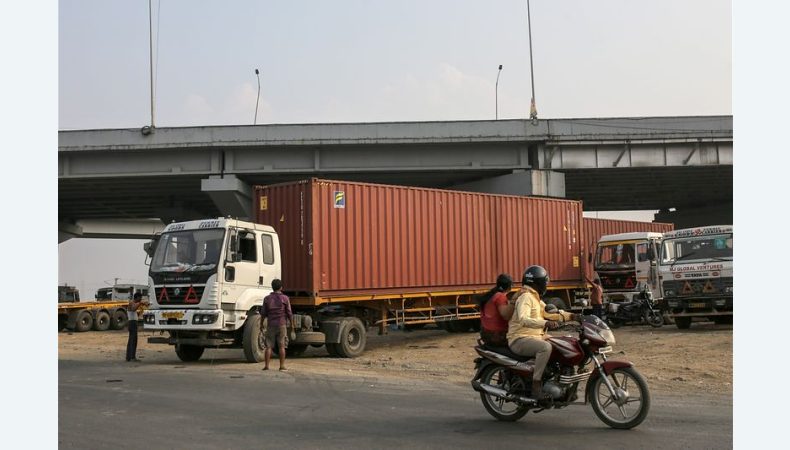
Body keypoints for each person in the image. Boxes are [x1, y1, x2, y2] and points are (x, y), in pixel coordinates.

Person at [507, 265, 576, 401]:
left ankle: (558, 379)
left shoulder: (535, 298)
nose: (546, 285)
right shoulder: (526, 297)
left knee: (563, 343)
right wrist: (545, 323)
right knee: (545, 347)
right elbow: (523, 319)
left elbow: (550, 313)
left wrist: (573, 316)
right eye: (545, 282)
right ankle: (536, 385)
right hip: (519, 338)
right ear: (538, 283)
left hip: (535, 336)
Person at [261, 279, 294, 371]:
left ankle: (267, 366)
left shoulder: (267, 298)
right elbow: (289, 313)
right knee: (282, 346)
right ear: (281, 287)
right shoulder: (285, 298)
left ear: (272, 287)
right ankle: (282, 366)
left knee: (269, 346)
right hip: (281, 324)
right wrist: (292, 325)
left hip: (271, 324)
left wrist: (261, 324)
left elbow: (263, 313)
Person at [478, 274, 514, 347]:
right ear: (510, 286)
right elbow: (506, 316)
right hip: (497, 336)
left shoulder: (491, 295)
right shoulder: (500, 297)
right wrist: (514, 303)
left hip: (485, 334)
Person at [126, 291, 149, 362]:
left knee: (131, 340)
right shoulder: (132, 303)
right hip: (132, 323)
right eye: (140, 298)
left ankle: (129, 357)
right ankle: (132, 357)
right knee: (133, 340)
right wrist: (140, 303)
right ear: (137, 297)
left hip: (133, 323)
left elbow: (133, 312)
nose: (141, 299)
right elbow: (133, 309)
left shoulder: (133, 303)